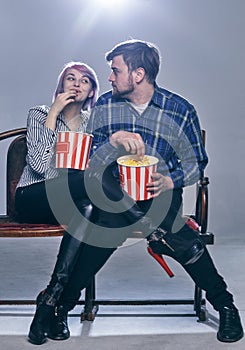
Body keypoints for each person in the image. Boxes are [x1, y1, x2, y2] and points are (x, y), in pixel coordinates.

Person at [45, 40, 243, 344]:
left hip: (159, 192)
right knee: (108, 231)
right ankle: (64, 308)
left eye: (115, 71)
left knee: (167, 219)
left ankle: (226, 306)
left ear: (138, 74)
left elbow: (195, 162)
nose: (109, 78)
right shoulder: (105, 106)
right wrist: (113, 140)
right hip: (115, 191)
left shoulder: (180, 109)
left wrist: (171, 181)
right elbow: (91, 160)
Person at [15, 60, 161, 345]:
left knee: (88, 207)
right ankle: (147, 225)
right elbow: (41, 166)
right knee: (90, 182)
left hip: (73, 198)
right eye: (70, 78)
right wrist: (55, 112)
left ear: (92, 91)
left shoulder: (93, 123)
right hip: (34, 196)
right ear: (61, 85)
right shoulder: (40, 114)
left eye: (84, 81)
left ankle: (51, 304)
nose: (76, 84)